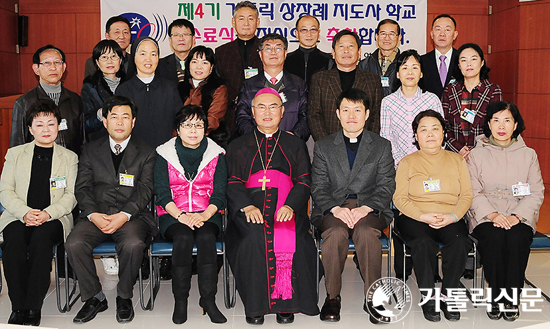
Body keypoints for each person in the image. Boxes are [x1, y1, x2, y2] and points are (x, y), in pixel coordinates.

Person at [226, 88, 319, 324]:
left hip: (287, 205)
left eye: (273, 107)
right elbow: (233, 181)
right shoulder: (237, 145)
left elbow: (304, 181)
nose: (267, 112)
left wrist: (290, 205)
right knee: (253, 238)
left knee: (294, 238)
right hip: (250, 207)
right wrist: (246, 207)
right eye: (261, 107)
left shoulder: (295, 144)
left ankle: (286, 303)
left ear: (282, 112)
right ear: (253, 113)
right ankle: (255, 306)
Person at [65, 96, 157, 324]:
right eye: (113, 116)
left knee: (133, 244)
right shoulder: (90, 149)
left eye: (125, 117)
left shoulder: (147, 151)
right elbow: (83, 187)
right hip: (96, 213)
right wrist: (93, 214)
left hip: (132, 216)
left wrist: (123, 215)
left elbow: (145, 190)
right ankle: (94, 297)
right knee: (74, 243)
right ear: (104, 121)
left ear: (133, 122)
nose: (119, 122)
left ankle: (124, 295)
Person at [311, 88, 395, 324]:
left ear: (367, 114)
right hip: (333, 208)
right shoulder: (324, 146)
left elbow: (387, 184)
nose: (351, 115)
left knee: (366, 233)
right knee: (336, 233)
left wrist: (365, 208)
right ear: (337, 113)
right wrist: (336, 209)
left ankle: (373, 298)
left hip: (369, 208)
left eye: (357, 110)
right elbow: (318, 186)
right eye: (346, 109)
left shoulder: (381, 145)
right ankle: (332, 297)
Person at [0, 101, 78, 326]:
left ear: (58, 126)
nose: (46, 129)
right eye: (39, 124)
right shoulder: (15, 154)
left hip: (53, 218)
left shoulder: (69, 157)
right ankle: (18, 306)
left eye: (51, 123)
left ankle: (33, 307)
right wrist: (25, 213)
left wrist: (47, 214)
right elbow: (5, 190)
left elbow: (71, 196)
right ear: (30, 128)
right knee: (13, 242)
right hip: (18, 215)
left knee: (41, 241)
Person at [393, 110, 473, 322]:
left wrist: (454, 216)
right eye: (423, 130)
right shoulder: (407, 162)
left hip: (449, 215)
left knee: (460, 242)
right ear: (416, 136)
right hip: (415, 216)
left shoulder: (457, 161)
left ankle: (448, 295)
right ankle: (428, 297)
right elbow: (399, 198)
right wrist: (422, 216)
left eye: (435, 129)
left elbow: (466, 195)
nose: (430, 134)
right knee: (422, 242)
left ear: (444, 134)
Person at [467, 101, 544, 321]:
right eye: (496, 120)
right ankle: (495, 295)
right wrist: (492, 215)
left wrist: (517, 216)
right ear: (489, 124)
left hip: (519, 214)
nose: (502, 126)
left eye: (507, 120)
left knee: (517, 238)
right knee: (494, 237)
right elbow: (472, 191)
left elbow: (536, 192)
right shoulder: (476, 155)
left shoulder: (528, 154)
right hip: (486, 215)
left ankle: (512, 296)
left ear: (516, 125)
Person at [154, 105, 227, 324]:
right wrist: (181, 216)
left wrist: (204, 215)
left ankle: (208, 299)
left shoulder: (217, 153)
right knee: (183, 238)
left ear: (206, 129)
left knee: (206, 238)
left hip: (208, 213)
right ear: (178, 128)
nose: (193, 130)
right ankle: (181, 300)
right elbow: (162, 192)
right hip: (173, 214)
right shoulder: (163, 153)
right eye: (187, 125)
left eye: (198, 125)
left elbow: (220, 193)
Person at [308, 30, 383, 141]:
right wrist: (326, 145)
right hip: (329, 146)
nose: (346, 51)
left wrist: (367, 144)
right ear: (333, 53)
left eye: (351, 46)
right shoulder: (320, 79)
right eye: (341, 46)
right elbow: (313, 116)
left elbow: (376, 116)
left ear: (359, 52)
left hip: (364, 146)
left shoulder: (373, 80)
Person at [10, 45, 85, 155]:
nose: (53, 67)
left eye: (57, 62)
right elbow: (17, 144)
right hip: (38, 166)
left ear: (64, 67)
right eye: (47, 63)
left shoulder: (75, 100)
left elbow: (83, 140)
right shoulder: (24, 103)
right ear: (36, 69)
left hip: (71, 165)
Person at [235, 33, 309, 140]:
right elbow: (242, 118)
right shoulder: (248, 86)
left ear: (285, 53)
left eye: (278, 48)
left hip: (291, 147)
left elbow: (305, 117)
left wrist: (293, 137)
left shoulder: (299, 84)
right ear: (260, 54)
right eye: (268, 49)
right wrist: (258, 137)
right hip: (257, 147)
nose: (273, 52)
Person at [116, 36, 183, 148]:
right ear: (134, 57)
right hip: (134, 156)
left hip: (166, 153)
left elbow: (180, 120)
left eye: (153, 54)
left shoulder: (170, 88)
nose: (148, 59)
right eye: (143, 54)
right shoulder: (123, 90)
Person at [381, 49, 443, 167]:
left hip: (430, 163)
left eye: (414, 67)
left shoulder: (432, 100)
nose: (410, 72)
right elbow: (386, 136)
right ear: (398, 74)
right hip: (398, 166)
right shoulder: (388, 102)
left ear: (421, 73)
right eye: (405, 68)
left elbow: (440, 133)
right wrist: (401, 162)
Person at [442, 43, 502, 160]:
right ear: (459, 65)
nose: (469, 64)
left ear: (482, 62)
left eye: (473, 59)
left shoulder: (492, 90)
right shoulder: (449, 90)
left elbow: (496, 125)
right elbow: (443, 125)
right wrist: (458, 148)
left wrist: (475, 150)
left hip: (484, 155)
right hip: (454, 155)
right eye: (463, 60)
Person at [215, 1, 263, 134]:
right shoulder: (221, 51)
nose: (246, 23)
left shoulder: (266, 49)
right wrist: (236, 97)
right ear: (233, 22)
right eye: (241, 18)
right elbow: (218, 81)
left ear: (257, 22)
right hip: (229, 115)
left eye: (251, 18)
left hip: (260, 114)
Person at [178, 46, 229, 147]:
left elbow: (213, 120)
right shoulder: (179, 88)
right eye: (194, 62)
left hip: (209, 141)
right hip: (179, 141)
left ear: (211, 68)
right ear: (188, 65)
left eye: (204, 62)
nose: (199, 66)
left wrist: (193, 136)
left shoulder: (219, 88)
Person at [81, 40, 127, 142]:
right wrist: (100, 114)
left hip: (128, 141)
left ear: (120, 60)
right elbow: (85, 124)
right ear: (97, 62)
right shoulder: (90, 87)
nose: (109, 61)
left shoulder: (130, 84)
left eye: (113, 56)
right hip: (100, 143)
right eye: (104, 57)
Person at [284, 15, 332, 88]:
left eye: (313, 29)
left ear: (319, 33)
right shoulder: (285, 60)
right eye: (304, 30)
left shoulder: (329, 60)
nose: (309, 34)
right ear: (296, 33)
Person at [358, 19, 402, 96]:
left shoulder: (404, 64)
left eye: (392, 34)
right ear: (376, 37)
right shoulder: (364, 64)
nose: (387, 38)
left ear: (399, 38)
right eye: (383, 33)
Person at [420, 14, 460, 99]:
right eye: (438, 29)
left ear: (455, 35)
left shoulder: (462, 59)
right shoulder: (421, 61)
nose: (442, 34)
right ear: (431, 34)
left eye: (447, 30)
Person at [158, 19, 196, 83]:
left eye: (185, 34)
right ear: (170, 40)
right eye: (176, 35)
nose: (181, 38)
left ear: (193, 39)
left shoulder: (203, 64)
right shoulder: (159, 65)